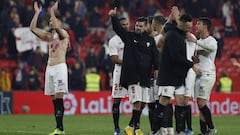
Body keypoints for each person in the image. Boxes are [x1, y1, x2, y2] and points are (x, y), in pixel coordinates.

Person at [109, 7, 159, 135]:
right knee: (136, 102)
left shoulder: (150, 40)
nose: (137, 27)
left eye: (140, 26)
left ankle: (131, 127)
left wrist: (157, 69)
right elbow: (118, 29)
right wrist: (113, 17)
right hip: (133, 76)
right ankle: (136, 129)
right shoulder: (129, 37)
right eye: (136, 25)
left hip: (145, 76)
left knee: (142, 104)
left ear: (145, 27)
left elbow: (155, 56)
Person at [153, 7, 200, 135]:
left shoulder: (184, 35)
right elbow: (175, 56)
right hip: (170, 73)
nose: (189, 30)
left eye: (191, 28)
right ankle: (156, 129)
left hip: (180, 73)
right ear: (181, 24)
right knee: (164, 101)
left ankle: (181, 130)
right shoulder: (173, 35)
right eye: (187, 27)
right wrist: (192, 65)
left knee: (181, 101)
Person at [30, 1, 69, 135]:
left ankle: (61, 129)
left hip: (60, 67)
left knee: (59, 98)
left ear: (59, 22)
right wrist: (37, 13)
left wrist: (52, 12)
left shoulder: (64, 34)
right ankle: (58, 128)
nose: (51, 22)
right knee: (54, 101)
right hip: (50, 68)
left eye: (54, 21)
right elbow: (32, 29)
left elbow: (59, 29)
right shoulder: (49, 36)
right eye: (50, 21)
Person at [187, 17, 218, 135]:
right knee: (200, 104)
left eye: (198, 24)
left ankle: (211, 128)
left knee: (201, 102)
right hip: (197, 75)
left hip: (207, 74)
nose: (196, 26)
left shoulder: (211, 40)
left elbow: (212, 48)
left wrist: (196, 42)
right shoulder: (198, 41)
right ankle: (204, 131)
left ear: (205, 26)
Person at [109, 17, 130, 135]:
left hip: (132, 72)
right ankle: (116, 129)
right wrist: (130, 62)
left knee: (138, 100)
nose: (126, 26)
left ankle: (132, 126)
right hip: (120, 72)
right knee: (117, 101)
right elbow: (115, 59)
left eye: (127, 24)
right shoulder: (114, 41)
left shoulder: (132, 38)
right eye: (123, 25)